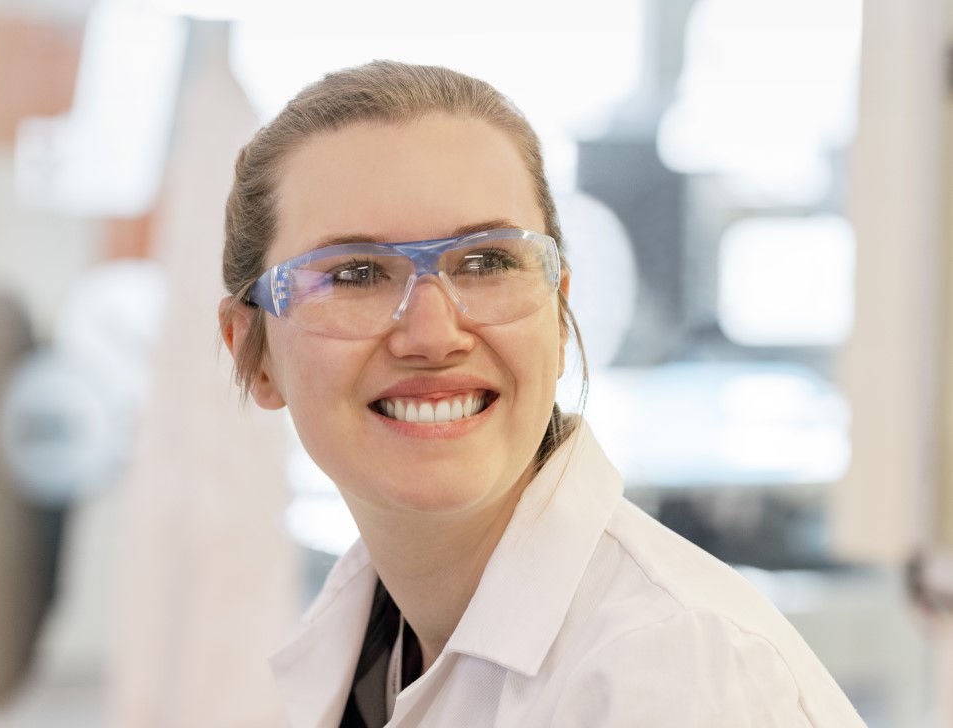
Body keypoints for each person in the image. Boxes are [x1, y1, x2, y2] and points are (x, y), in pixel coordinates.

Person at [218, 61, 865, 728]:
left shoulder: (679, 671)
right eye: (355, 274)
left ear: (558, 317)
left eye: (486, 262)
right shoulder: (374, 642)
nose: (433, 335)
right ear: (252, 352)